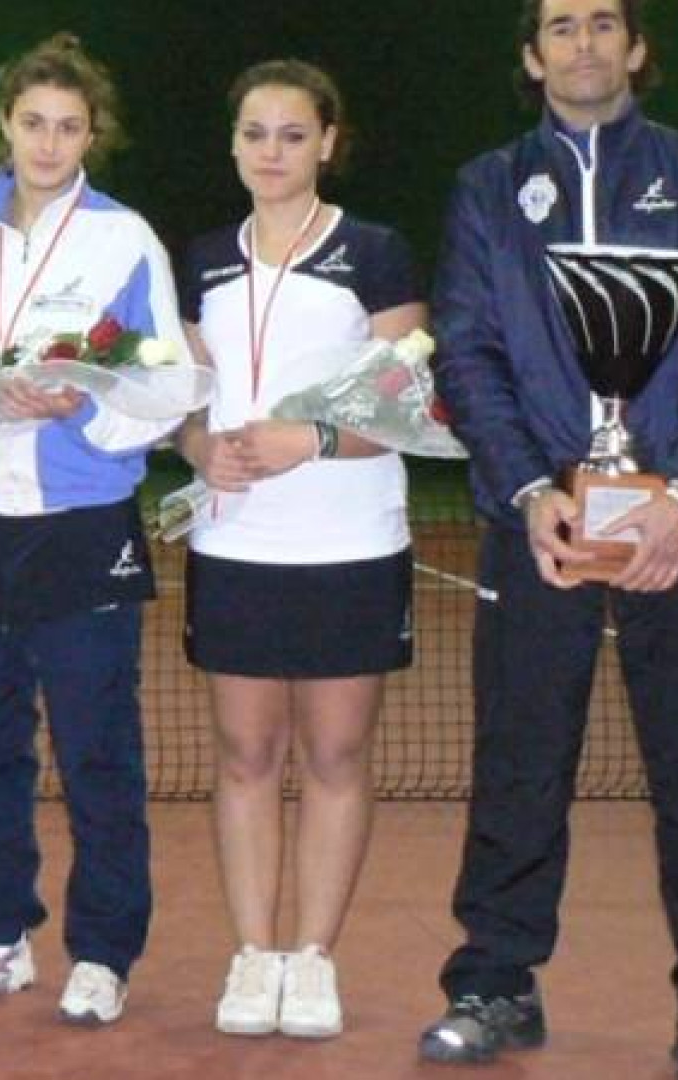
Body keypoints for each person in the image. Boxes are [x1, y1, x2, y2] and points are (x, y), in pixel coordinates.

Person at [422, 2, 678, 1076]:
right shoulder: (488, 188)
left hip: (674, 528)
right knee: (518, 761)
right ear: (533, 57)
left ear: (636, 48)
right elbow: (468, 350)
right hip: (538, 524)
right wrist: (532, 491)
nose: (584, 43)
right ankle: (494, 983)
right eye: (562, 26)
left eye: (603, 22)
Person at [0, 33, 184, 1028]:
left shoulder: (125, 241)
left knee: (98, 751)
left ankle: (103, 951)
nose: (48, 144)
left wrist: (84, 411)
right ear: (6, 126)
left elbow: (166, 386)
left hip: (82, 523)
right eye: (33, 124)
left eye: (68, 127)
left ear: (92, 135)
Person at [174, 60, 426, 1039]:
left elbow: (407, 406)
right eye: (254, 134)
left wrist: (309, 441)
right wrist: (200, 447)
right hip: (236, 542)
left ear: (327, 142)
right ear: (233, 144)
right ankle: (253, 956)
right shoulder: (201, 260)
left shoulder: (377, 253)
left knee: (335, 753)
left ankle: (312, 958)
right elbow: (187, 398)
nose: (270, 152)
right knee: (244, 754)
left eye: (291, 134)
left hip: (350, 542)